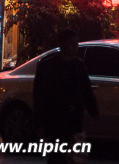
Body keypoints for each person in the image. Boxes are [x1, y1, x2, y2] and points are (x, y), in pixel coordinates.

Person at [32, 29, 98, 163]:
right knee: (57, 155)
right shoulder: (48, 66)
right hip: (55, 119)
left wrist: (93, 110)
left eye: (76, 43)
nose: (75, 47)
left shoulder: (78, 65)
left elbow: (86, 90)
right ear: (62, 45)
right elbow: (40, 96)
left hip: (73, 119)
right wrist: (39, 123)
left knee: (72, 155)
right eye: (71, 43)